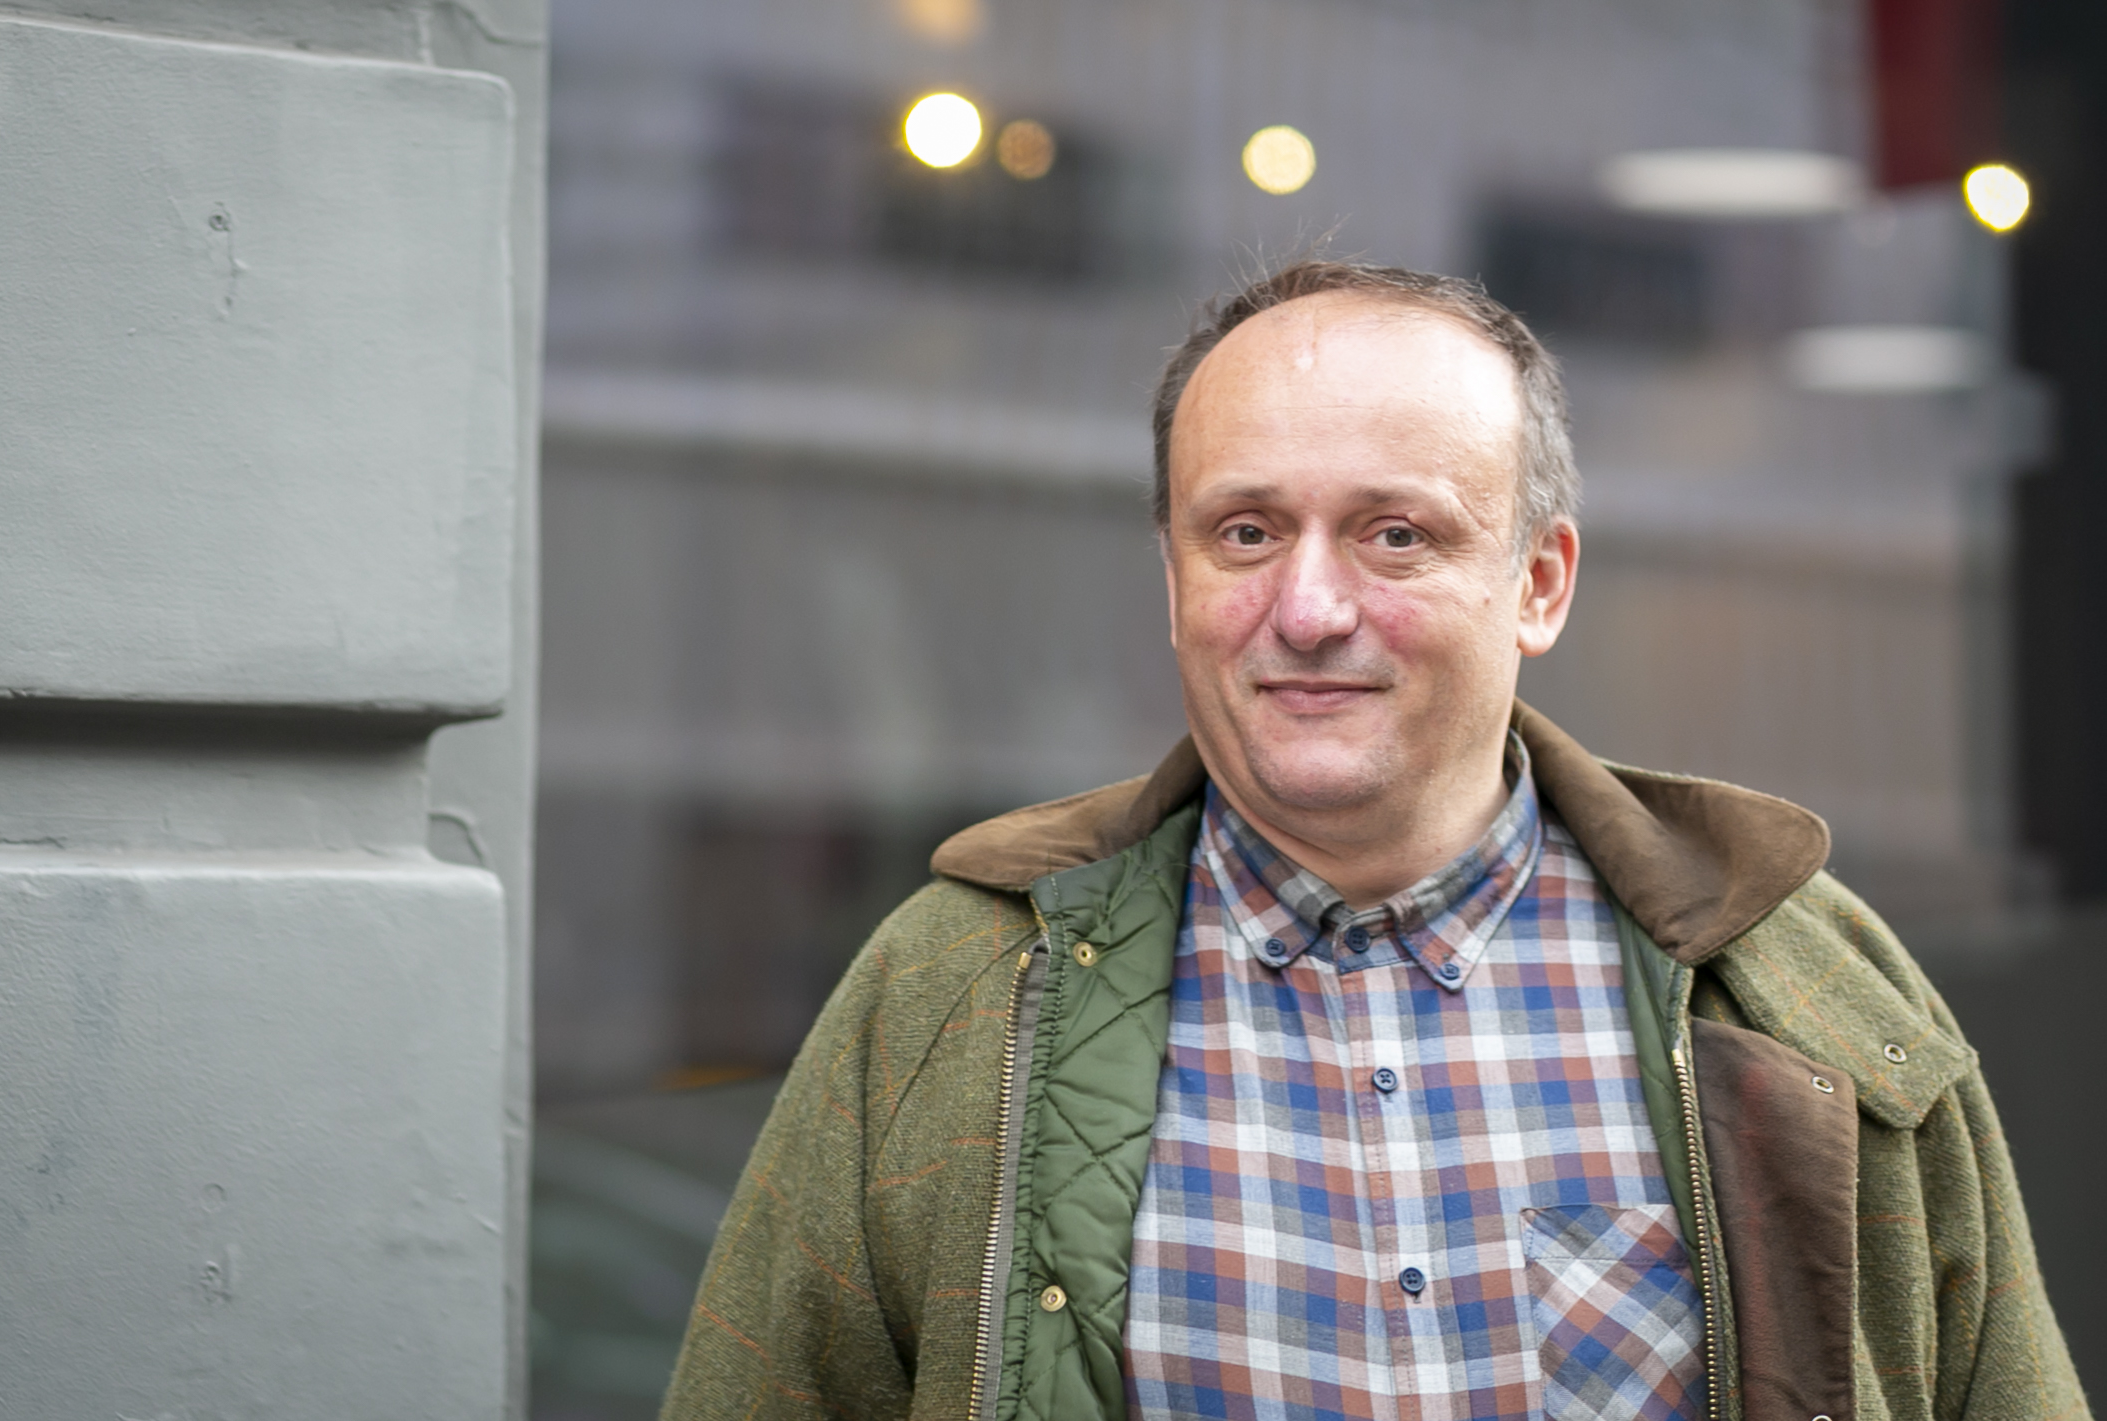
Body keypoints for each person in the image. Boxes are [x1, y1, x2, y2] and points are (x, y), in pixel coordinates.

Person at [660, 262, 2087, 1421]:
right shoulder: (956, 991)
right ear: (1172, 578)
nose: (1311, 606)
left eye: (1395, 535)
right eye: (1245, 532)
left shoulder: (1804, 991)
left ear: (1537, 581)